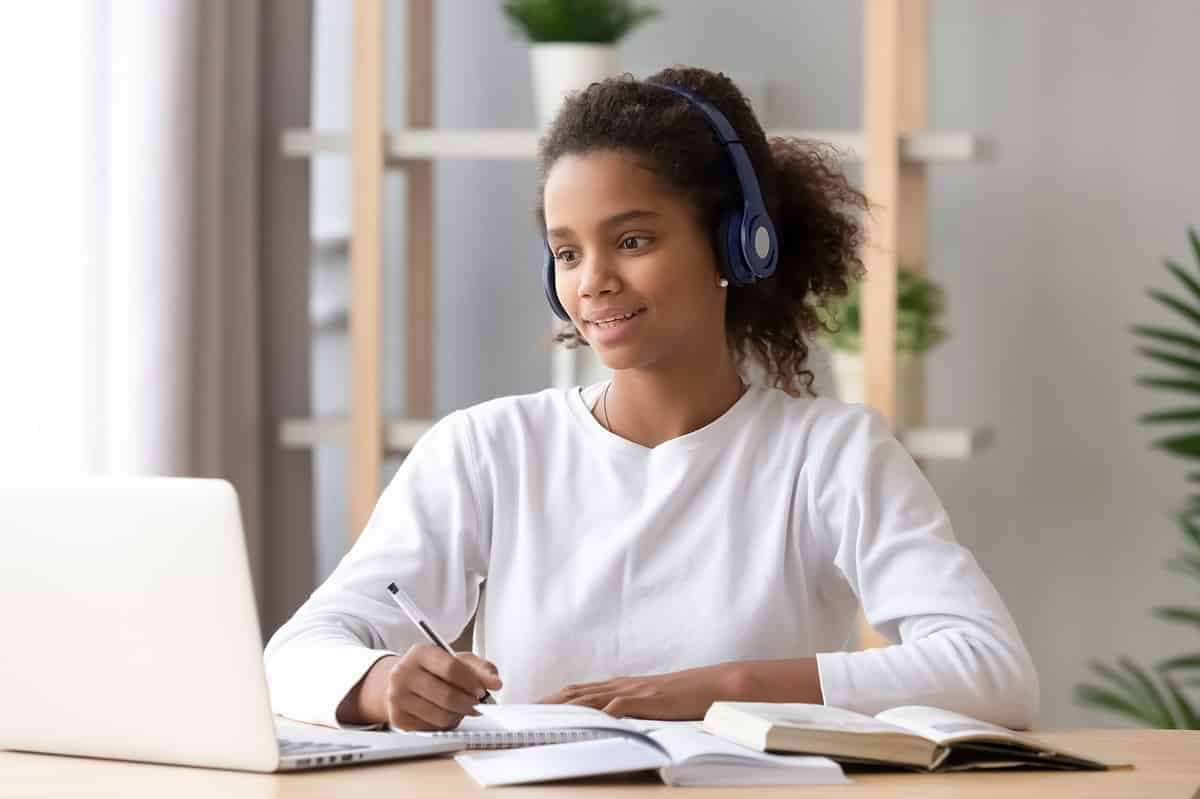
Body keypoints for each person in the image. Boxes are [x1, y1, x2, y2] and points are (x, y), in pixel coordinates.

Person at [264, 66, 1039, 733]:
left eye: (632, 240)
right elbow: (295, 653)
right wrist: (379, 683)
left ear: (737, 244)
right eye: (567, 252)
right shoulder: (487, 449)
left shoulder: (831, 454)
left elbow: (994, 672)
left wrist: (724, 688)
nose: (592, 279)